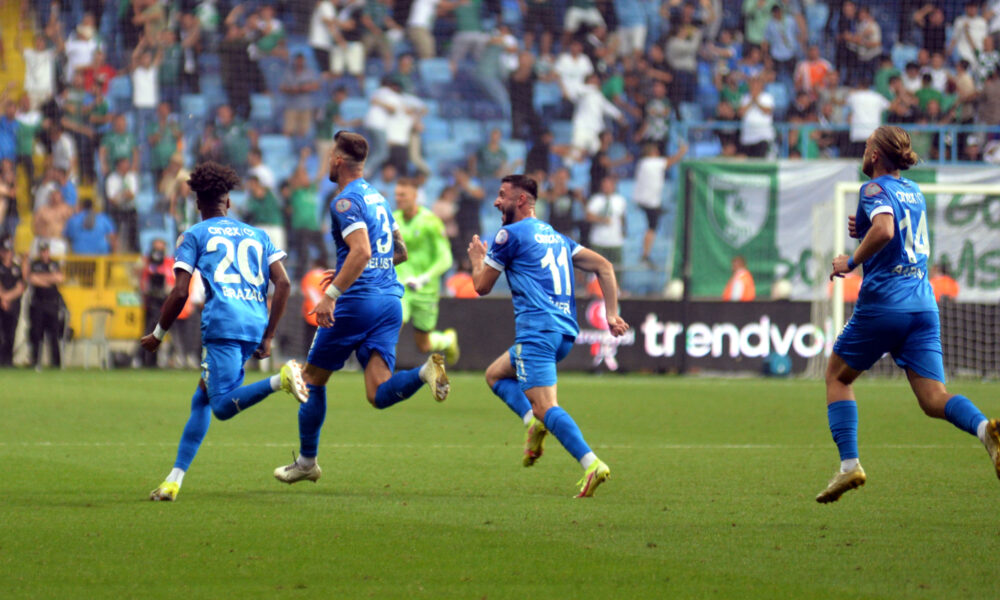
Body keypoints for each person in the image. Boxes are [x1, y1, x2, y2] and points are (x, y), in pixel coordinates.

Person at [818, 125, 1000, 504]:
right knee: (934, 398)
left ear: (875, 155)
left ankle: (849, 465)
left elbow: (885, 230)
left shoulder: (872, 188)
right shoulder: (913, 191)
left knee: (837, 376)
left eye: (867, 145)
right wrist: (863, 227)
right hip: (923, 304)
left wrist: (850, 262)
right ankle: (986, 430)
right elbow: (892, 229)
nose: (863, 151)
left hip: (886, 303)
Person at [272, 131, 451, 485]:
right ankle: (423, 372)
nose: (327, 162)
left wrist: (331, 294)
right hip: (390, 302)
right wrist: (348, 272)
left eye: (329, 156)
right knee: (377, 393)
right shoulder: (379, 199)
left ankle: (307, 462)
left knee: (311, 379)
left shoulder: (344, 202)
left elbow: (363, 251)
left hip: (357, 303)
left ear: (338, 161)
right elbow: (399, 252)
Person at [142, 161, 309, 502]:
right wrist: (269, 335)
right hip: (254, 321)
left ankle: (280, 380)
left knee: (220, 406)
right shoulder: (258, 234)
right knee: (202, 397)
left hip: (223, 324)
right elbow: (283, 283)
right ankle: (174, 480)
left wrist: (158, 334)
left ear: (196, 203)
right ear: (228, 201)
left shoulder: (194, 235)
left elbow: (180, 292)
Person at [467, 174, 630, 498]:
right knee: (496, 375)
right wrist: (611, 314)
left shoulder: (508, 235)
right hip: (563, 333)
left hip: (537, 332)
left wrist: (476, 261)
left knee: (546, 406)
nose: (496, 201)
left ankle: (591, 464)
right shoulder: (556, 237)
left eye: (502, 195)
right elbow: (605, 267)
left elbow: (481, 286)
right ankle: (532, 421)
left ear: (521, 200)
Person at [393, 177, 460, 363]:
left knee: (423, 344)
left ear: (415, 195)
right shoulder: (393, 220)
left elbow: (446, 258)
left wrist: (424, 278)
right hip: (401, 287)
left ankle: (447, 340)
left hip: (426, 290)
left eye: (403, 195)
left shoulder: (431, 221)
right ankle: (383, 373)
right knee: (393, 324)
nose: (398, 199)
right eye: (397, 195)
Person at [633, 142, 688, 267]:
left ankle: (645, 254)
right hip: (651, 202)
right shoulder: (653, 163)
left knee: (652, 225)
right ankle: (645, 254)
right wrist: (682, 151)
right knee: (652, 227)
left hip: (643, 200)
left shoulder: (642, 163)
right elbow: (671, 161)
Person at [27, 241, 64, 369]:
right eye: (42, 251)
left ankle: (56, 363)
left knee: (54, 334)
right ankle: (35, 361)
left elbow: (59, 278)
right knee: (36, 333)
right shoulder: (35, 264)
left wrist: (41, 278)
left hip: (52, 304)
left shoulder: (55, 264)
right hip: (38, 303)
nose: (44, 253)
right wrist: (50, 279)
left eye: (46, 251)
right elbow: (32, 279)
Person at [0, 237, 25, 366]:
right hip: (1, 304)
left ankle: (8, 360)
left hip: (13, 305)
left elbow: (20, 287)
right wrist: (3, 298)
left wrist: (7, 298)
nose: (7, 254)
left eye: (9, 251)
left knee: (10, 333)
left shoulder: (16, 268)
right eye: (5, 251)